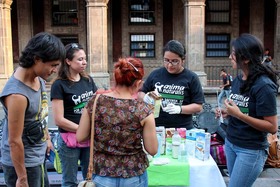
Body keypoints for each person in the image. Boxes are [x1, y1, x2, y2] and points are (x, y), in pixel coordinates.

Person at [76, 57, 158, 187]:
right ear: (138, 83)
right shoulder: (143, 110)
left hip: (102, 172)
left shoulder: (95, 101)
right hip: (133, 173)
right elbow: (152, 149)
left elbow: (80, 136)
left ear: (115, 78)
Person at [0, 32, 65, 187]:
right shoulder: (17, 95)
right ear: (37, 59)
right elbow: (14, 141)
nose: (55, 70)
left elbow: (40, 115)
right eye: (53, 65)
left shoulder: (37, 78)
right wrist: (22, 178)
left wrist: (47, 138)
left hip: (37, 156)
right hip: (24, 165)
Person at [216, 34, 279, 187]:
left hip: (251, 150)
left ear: (245, 59)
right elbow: (243, 111)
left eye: (233, 53)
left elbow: (272, 127)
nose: (230, 56)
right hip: (231, 143)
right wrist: (228, 113)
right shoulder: (238, 80)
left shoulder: (263, 86)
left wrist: (238, 114)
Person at [50, 43, 98, 186]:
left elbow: (96, 106)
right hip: (69, 140)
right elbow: (59, 120)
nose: (84, 62)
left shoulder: (88, 80)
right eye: (80, 59)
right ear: (68, 61)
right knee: (69, 181)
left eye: (85, 59)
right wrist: (82, 130)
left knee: (90, 179)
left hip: (89, 138)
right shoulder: (59, 85)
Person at [138, 40, 205, 130]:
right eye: (166, 60)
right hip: (156, 127)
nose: (169, 65)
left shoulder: (191, 77)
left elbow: (198, 107)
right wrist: (146, 97)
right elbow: (141, 93)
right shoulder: (155, 74)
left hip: (181, 129)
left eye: (174, 61)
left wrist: (180, 109)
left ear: (183, 60)